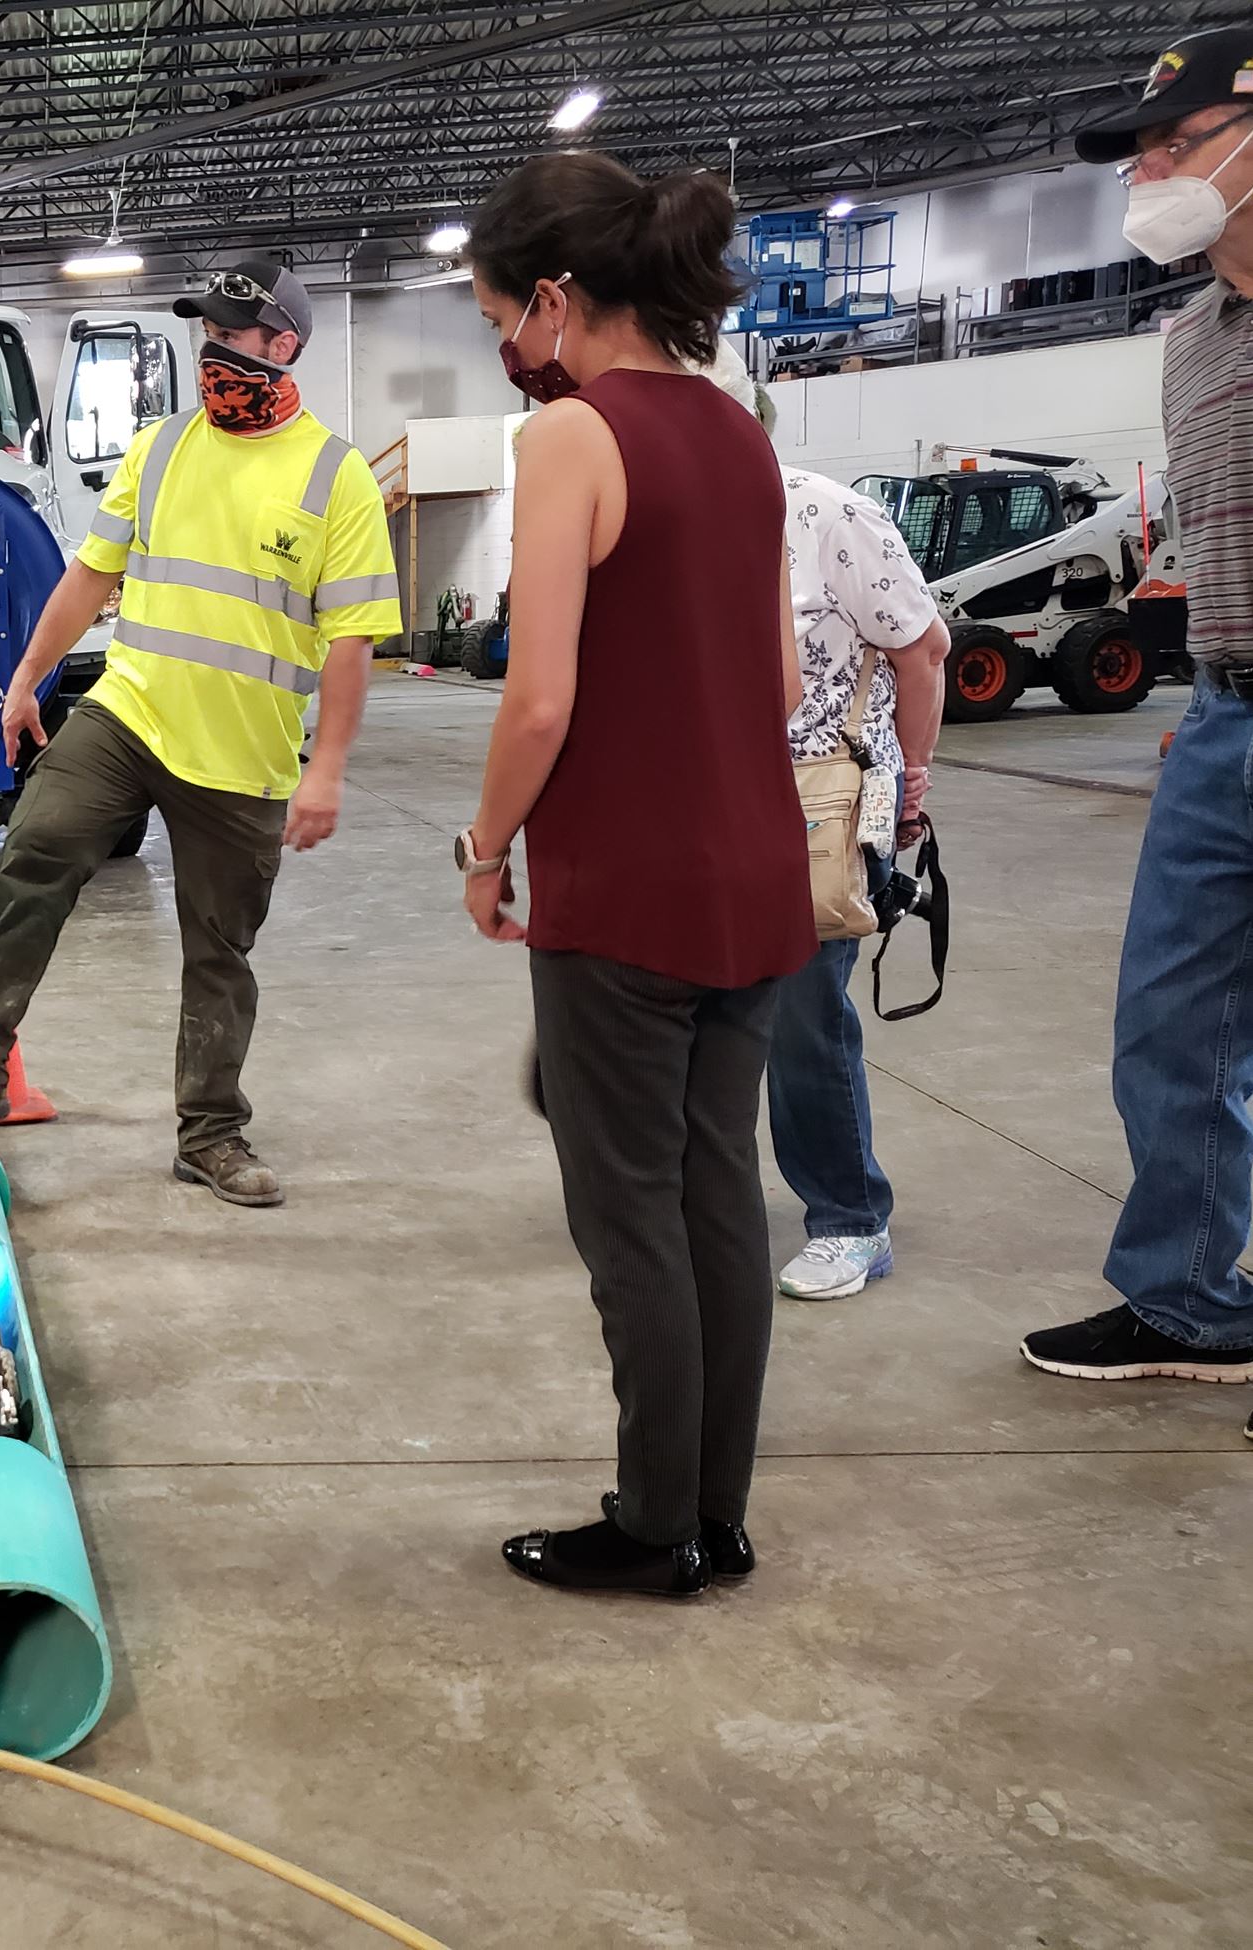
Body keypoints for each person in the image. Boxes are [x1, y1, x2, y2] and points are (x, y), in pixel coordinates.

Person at [0, 255, 403, 1205]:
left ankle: (210, 1132)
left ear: (286, 346)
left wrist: (332, 770)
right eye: (209, 336)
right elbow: (88, 578)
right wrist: (25, 679)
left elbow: (352, 640)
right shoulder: (161, 447)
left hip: (243, 756)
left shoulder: (336, 477)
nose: (215, 354)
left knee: (217, 949)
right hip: (129, 712)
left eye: (236, 338)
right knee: (36, 846)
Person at [456, 154, 813, 1597]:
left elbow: (538, 700)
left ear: (553, 299)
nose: (505, 345)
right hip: (757, 877)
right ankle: (717, 1510)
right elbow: (783, 678)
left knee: (627, 1217)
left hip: (625, 890)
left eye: (498, 312)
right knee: (717, 1196)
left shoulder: (571, 441)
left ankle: (654, 1518)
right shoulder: (740, 434)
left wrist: (485, 852)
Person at [1023, 26, 1253, 1427]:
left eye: (1178, 143)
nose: (1152, 174)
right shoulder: (1189, 340)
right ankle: (1188, 1297)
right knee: (1170, 1022)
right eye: (1145, 152)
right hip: (1225, 717)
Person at [705, 351, 952, 1301]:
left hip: (818, 801)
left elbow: (923, 652)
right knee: (712, 1010)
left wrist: (909, 786)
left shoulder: (827, 515)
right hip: (713, 795)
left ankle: (851, 1218)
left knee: (804, 1016)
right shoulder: (673, 524)